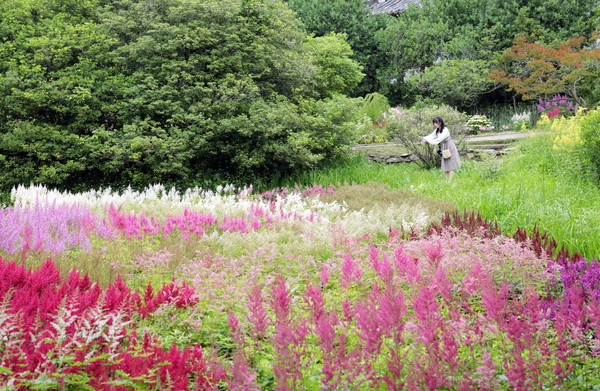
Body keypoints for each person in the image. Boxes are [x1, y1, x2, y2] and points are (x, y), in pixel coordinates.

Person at [418, 116, 460, 181]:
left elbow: (438, 140)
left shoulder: (445, 130)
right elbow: (431, 136)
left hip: (449, 147)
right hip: (444, 147)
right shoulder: (437, 130)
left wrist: (428, 141)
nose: (435, 124)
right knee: (446, 165)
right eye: (434, 123)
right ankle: (447, 180)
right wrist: (423, 139)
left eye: (436, 123)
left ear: (440, 122)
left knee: (451, 165)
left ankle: (450, 181)